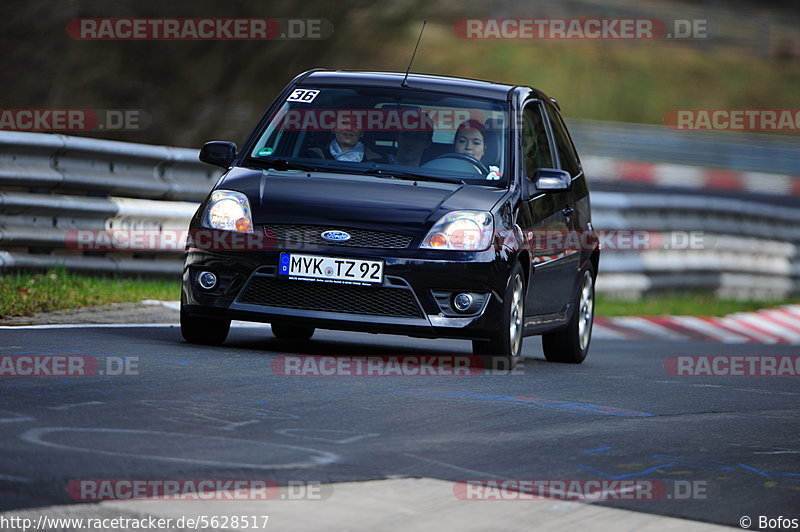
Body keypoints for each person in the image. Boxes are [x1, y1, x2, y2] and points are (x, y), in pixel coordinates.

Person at [307, 127, 385, 163]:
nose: (349, 128)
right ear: (334, 129)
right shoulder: (312, 156)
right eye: (344, 123)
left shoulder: (377, 161)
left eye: (355, 124)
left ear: (362, 133)